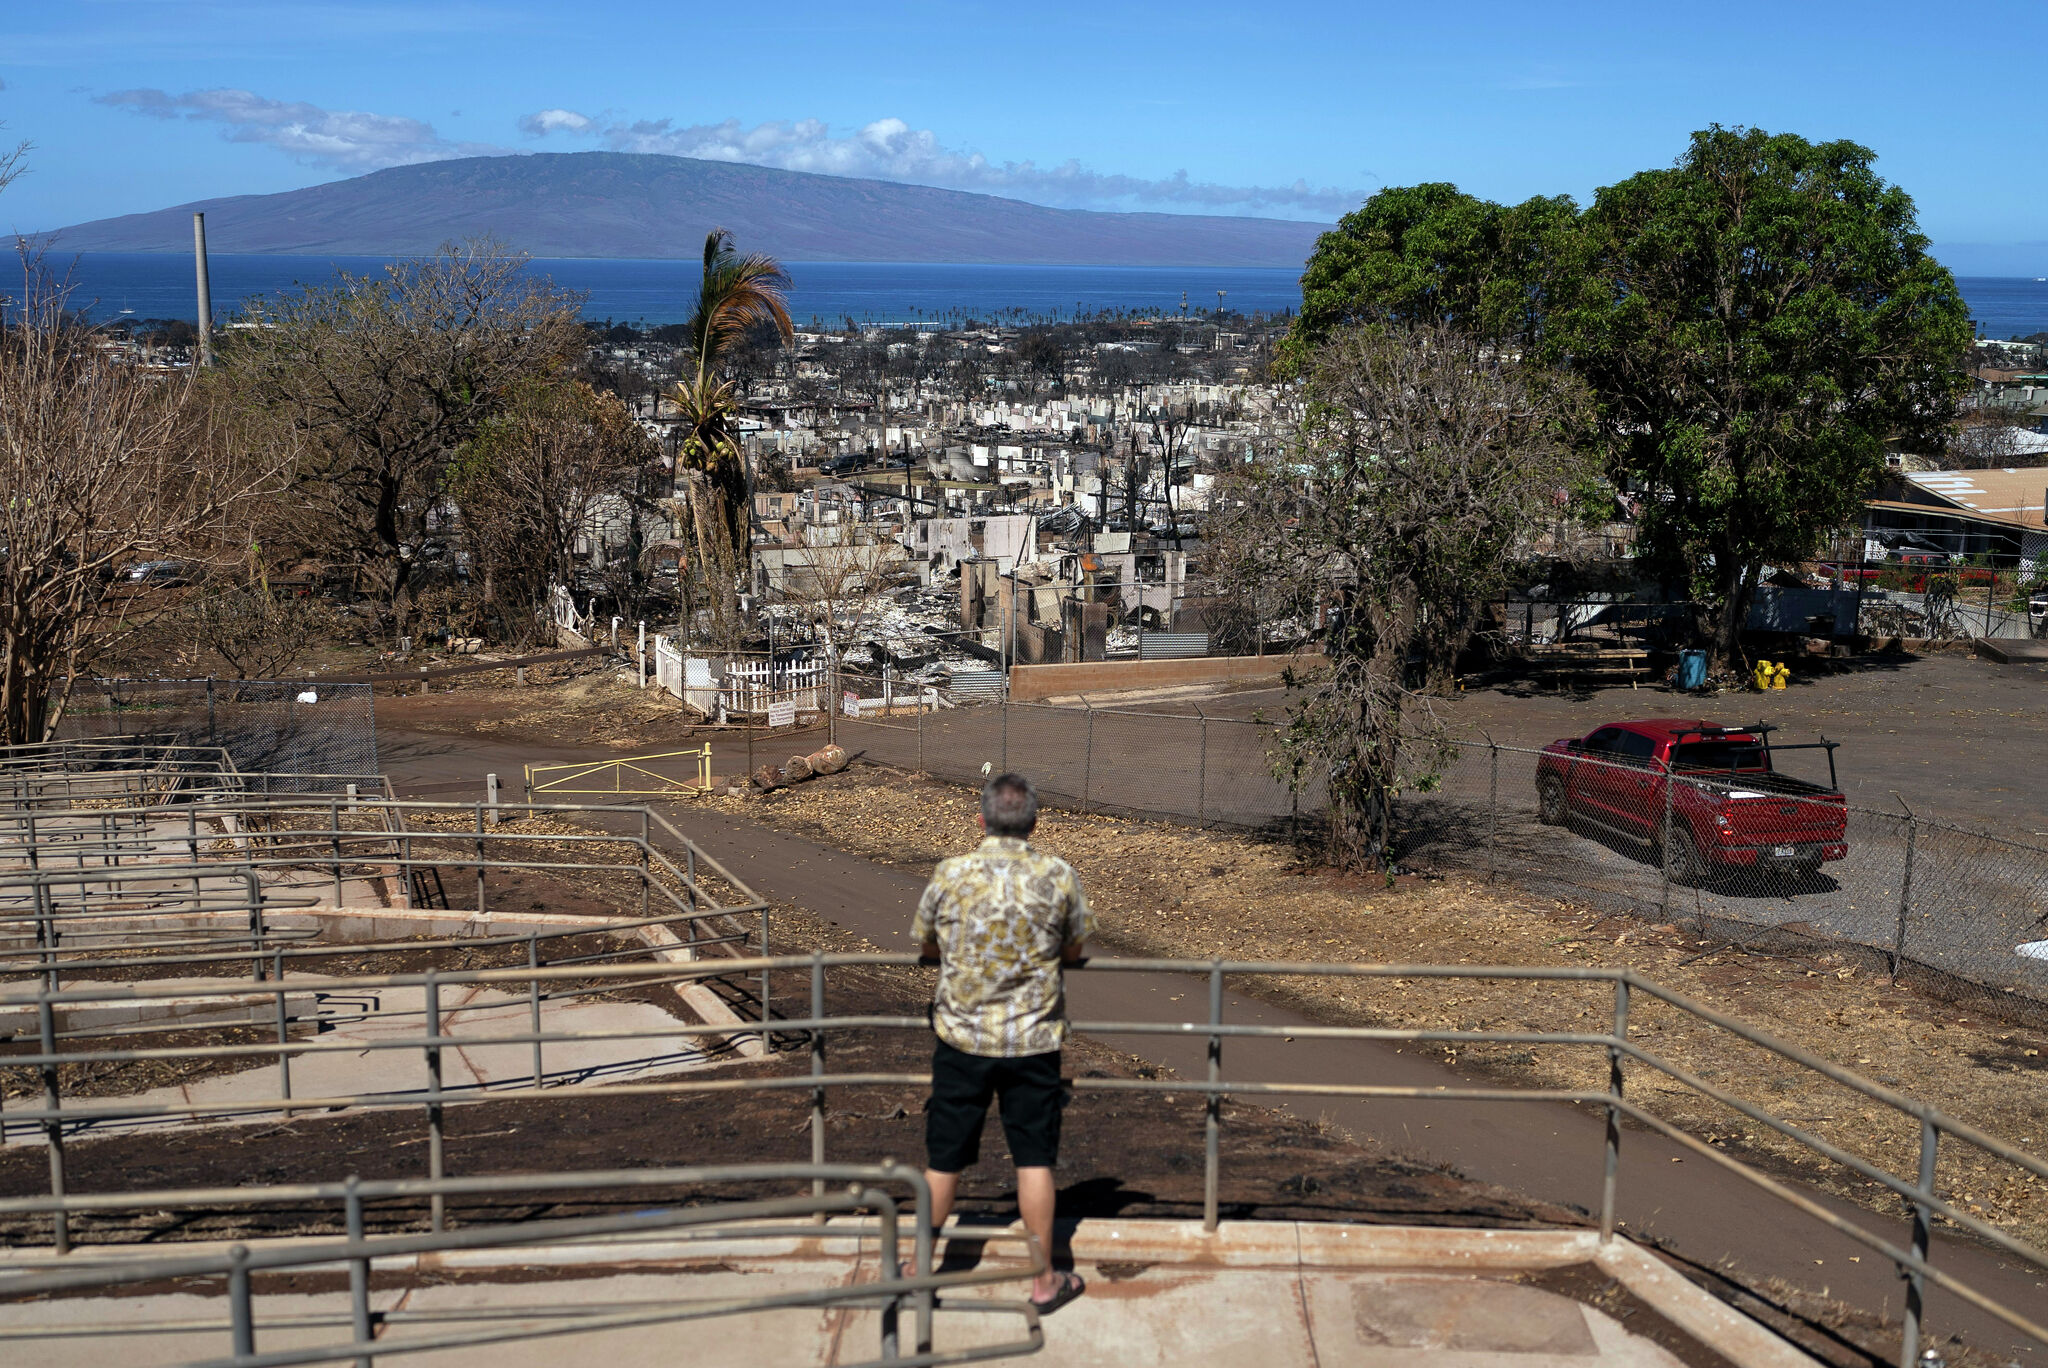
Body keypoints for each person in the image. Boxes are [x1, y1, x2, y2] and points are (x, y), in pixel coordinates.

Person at [911, 772, 1093, 1315]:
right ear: (1034, 821)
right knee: (1034, 1160)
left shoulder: (952, 873)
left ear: (983, 819)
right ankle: (1043, 1283)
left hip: (962, 1039)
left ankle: (921, 1272)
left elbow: (925, 942)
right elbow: (1075, 948)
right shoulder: (1058, 875)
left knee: (944, 1161)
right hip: (1033, 1041)